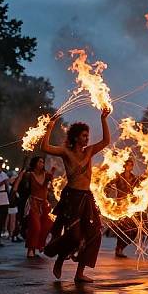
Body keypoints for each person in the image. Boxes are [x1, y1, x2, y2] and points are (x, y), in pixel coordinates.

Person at [42, 107, 111, 282]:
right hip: (72, 198)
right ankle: (59, 258)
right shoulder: (66, 152)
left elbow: (106, 141)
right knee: (74, 236)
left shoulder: (89, 151)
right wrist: (49, 127)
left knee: (94, 233)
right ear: (75, 137)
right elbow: (45, 147)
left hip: (87, 197)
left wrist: (103, 119)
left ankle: (79, 273)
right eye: (83, 135)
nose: (86, 138)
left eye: (87, 135)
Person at [13, 156, 55, 258]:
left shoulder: (47, 175)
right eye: (40, 162)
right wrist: (21, 175)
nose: (42, 164)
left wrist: (53, 171)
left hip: (45, 205)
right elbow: (16, 185)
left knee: (47, 226)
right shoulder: (29, 175)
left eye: (43, 162)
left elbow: (54, 183)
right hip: (33, 203)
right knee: (35, 227)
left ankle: (40, 245)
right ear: (35, 163)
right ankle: (30, 250)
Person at [109, 157, 139, 258]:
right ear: (125, 166)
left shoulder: (134, 178)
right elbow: (109, 183)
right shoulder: (119, 177)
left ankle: (121, 248)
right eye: (128, 164)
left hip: (130, 206)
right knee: (123, 228)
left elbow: (140, 188)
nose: (130, 167)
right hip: (120, 206)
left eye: (131, 165)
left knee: (134, 229)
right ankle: (119, 249)